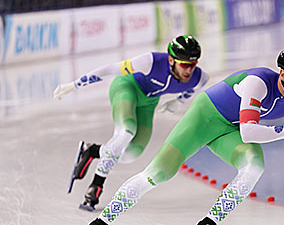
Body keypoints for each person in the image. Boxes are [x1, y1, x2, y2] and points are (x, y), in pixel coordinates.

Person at [76, 45, 284, 225]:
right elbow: (249, 132)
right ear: (283, 73)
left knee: (254, 167)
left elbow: (244, 130)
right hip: (204, 118)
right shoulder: (258, 83)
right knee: (158, 173)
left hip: (229, 129)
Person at [54, 35, 208, 210]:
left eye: (193, 65)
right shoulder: (150, 61)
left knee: (131, 154)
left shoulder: (199, 78)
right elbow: (111, 69)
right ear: (171, 60)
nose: (189, 70)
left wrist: (178, 101)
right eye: (184, 65)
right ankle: (95, 187)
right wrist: (75, 85)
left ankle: (93, 150)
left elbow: (192, 90)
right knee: (126, 131)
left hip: (148, 103)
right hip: (126, 88)